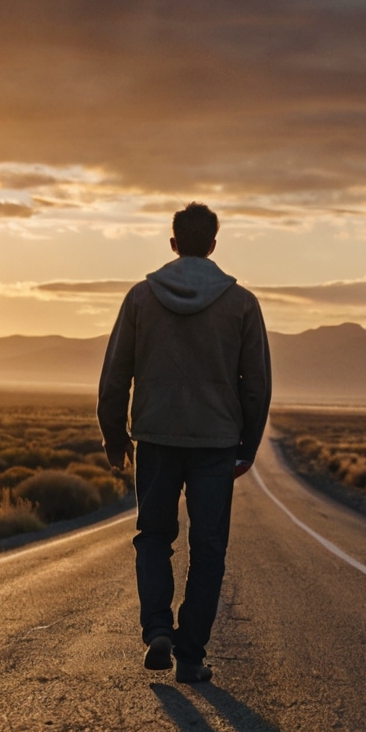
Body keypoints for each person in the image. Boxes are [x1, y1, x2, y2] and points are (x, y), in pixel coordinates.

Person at [97, 202, 271, 683]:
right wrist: (248, 446)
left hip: (155, 436)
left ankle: (157, 629)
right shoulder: (241, 304)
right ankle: (191, 653)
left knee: (153, 536)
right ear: (213, 244)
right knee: (208, 547)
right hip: (216, 443)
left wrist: (115, 435)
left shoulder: (140, 298)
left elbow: (115, 374)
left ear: (173, 243)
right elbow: (255, 384)